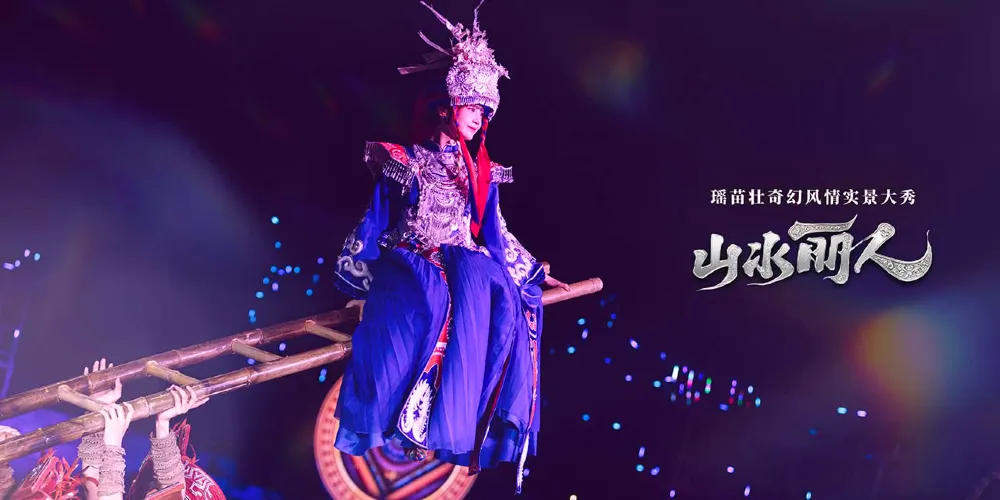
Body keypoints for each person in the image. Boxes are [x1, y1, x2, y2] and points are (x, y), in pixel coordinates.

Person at [332, 1, 569, 493]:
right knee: (433, 295)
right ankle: (405, 410)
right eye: (473, 107)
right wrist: (359, 278)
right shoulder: (408, 161)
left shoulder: (484, 175)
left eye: (486, 111)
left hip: (464, 264)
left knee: (504, 299)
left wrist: (533, 270)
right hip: (415, 259)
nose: (479, 118)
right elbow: (378, 218)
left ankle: (465, 418)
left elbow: (495, 232)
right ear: (447, 105)